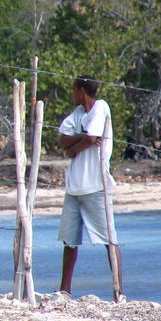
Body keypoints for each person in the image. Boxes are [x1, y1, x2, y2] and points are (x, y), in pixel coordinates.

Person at [57, 75, 123, 299]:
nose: (72, 94)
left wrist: (78, 144)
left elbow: (93, 136)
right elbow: (64, 141)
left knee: (109, 240)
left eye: (74, 90)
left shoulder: (101, 107)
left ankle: (118, 292)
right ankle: (64, 290)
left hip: (96, 185)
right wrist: (80, 141)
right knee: (69, 241)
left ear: (82, 90)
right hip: (74, 187)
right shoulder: (77, 114)